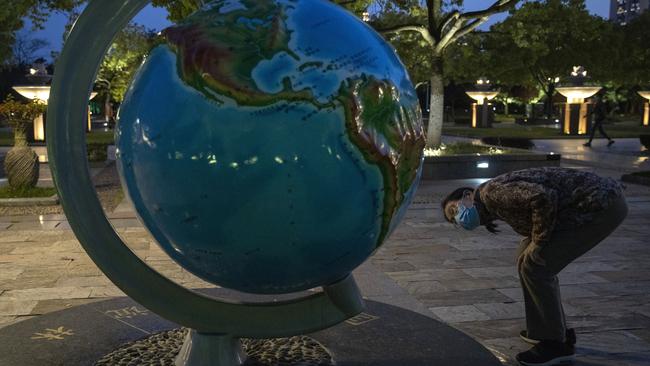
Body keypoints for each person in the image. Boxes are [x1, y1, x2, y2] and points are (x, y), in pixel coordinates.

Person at [442, 167, 627, 366]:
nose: (458, 218)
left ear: (467, 196)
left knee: (536, 267)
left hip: (601, 205)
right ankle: (544, 330)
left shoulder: (491, 193)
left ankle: (555, 343)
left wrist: (539, 243)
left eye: (455, 209)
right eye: (454, 219)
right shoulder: (492, 203)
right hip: (589, 205)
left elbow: (542, 197)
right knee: (524, 256)